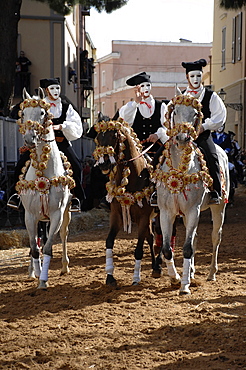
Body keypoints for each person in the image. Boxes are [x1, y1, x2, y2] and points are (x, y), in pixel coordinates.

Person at [8, 77, 84, 212]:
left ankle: (76, 198)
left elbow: (76, 125)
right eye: (52, 88)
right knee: (21, 164)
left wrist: (62, 126)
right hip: (39, 143)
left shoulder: (66, 107)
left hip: (60, 143)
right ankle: (17, 195)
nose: (56, 91)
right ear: (46, 91)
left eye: (58, 88)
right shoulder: (38, 104)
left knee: (76, 166)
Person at [181, 58, 227, 204]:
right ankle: (157, 192)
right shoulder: (181, 96)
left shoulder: (211, 96)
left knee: (212, 157)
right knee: (161, 154)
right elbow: (169, 115)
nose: (195, 79)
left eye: (198, 76)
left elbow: (220, 116)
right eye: (192, 76)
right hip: (183, 137)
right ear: (187, 77)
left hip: (202, 136)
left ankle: (216, 192)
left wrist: (204, 127)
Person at [119, 72, 169, 157]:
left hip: (156, 150)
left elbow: (167, 126)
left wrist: (158, 134)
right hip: (136, 151)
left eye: (148, 85)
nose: (146, 88)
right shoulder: (130, 107)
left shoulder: (161, 106)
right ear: (137, 88)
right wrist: (136, 102)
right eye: (142, 86)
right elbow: (126, 123)